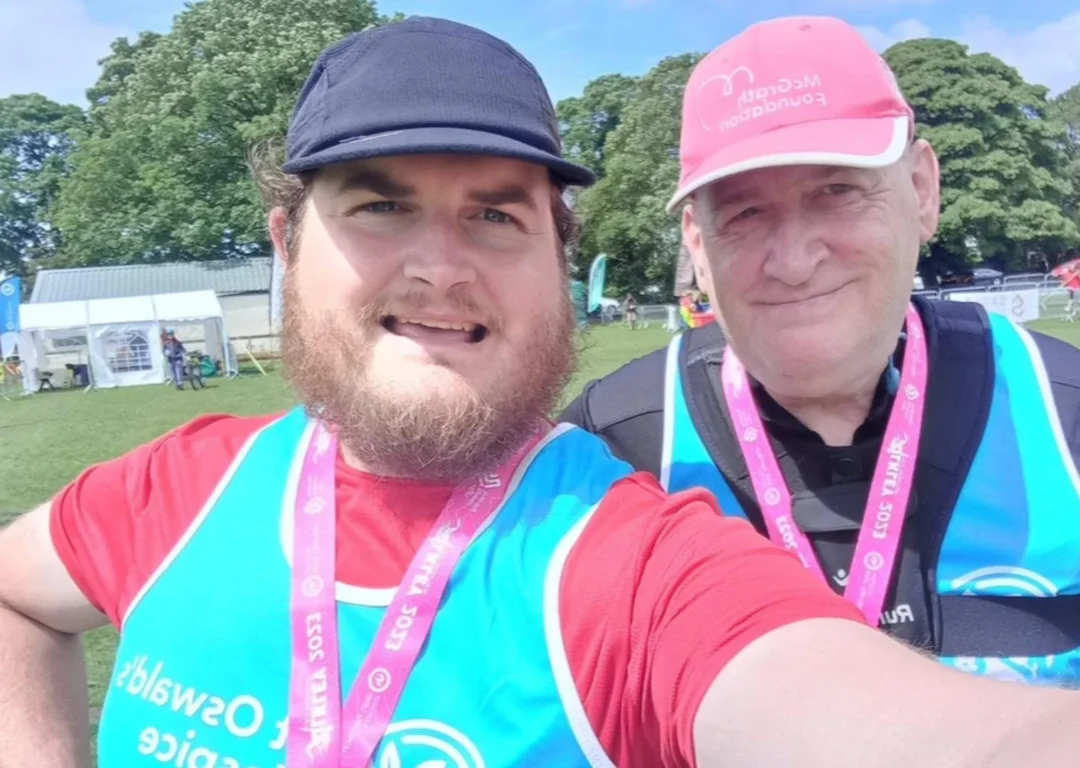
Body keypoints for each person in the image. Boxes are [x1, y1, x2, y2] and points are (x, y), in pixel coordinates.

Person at [3, 16, 1080, 768]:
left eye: (496, 215)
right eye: (378, 206)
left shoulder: (615, 546)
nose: (439, 266)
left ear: (555, 257)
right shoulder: (181, 485)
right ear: (287, 243)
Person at [562, 14, 1080, 686]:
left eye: (837, 191)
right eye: (744, 212)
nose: (795, 261)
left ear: (923, 190)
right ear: (696, 239)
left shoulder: (1061, 410)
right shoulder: (609, 452)